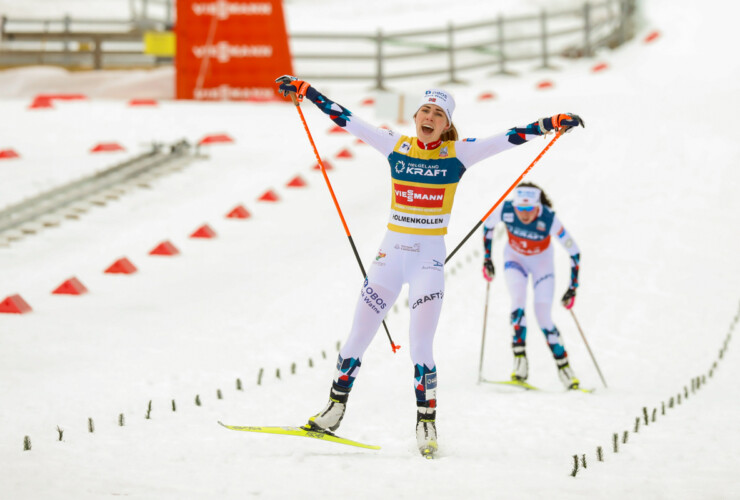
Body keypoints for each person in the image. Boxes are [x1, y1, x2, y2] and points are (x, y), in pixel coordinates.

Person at [276, 75, 584, 457]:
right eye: (425, 110)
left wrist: (551, 124)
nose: (430, 116)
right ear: (416, 115)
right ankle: (334, 410)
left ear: (447, 125)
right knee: (357, 337)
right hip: (389, 260)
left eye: (438, 114)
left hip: (427, 263)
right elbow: (347, 119)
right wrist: (305, 92)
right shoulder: (394, 144)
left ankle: (426, 424)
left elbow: (509, 137)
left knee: (421, 348)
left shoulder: (458, 153)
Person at [481, 182, 582, 389]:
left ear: (537, 206)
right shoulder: (506, 209)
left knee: (543, 316)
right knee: (517, 301)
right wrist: (487, 259)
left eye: (529, 209)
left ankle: (565, 370)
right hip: (514, 259)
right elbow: (487, 225)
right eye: (520, 209)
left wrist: (572, 288)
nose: (524, 214)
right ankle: (520, 365)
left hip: (542, 267)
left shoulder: (548, 218)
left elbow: (574, 251)